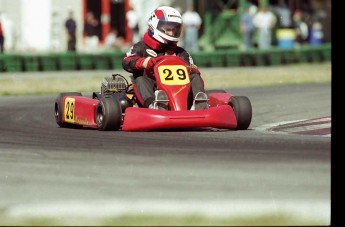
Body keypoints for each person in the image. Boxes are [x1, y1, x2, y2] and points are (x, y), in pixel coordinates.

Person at [122, 6, 208, 110]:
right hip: (153, 87)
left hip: (180, 89)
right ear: (155, 26)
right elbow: (126, 61)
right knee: (140, 79)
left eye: (174, 30)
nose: (171, 33)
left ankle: (199, 103)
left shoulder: (180, 52)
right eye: (168, 29)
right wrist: (143, 63)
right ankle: (154, 106)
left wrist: (189, 69)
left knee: (195, 77)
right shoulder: (141, 47)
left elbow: (193, 68)